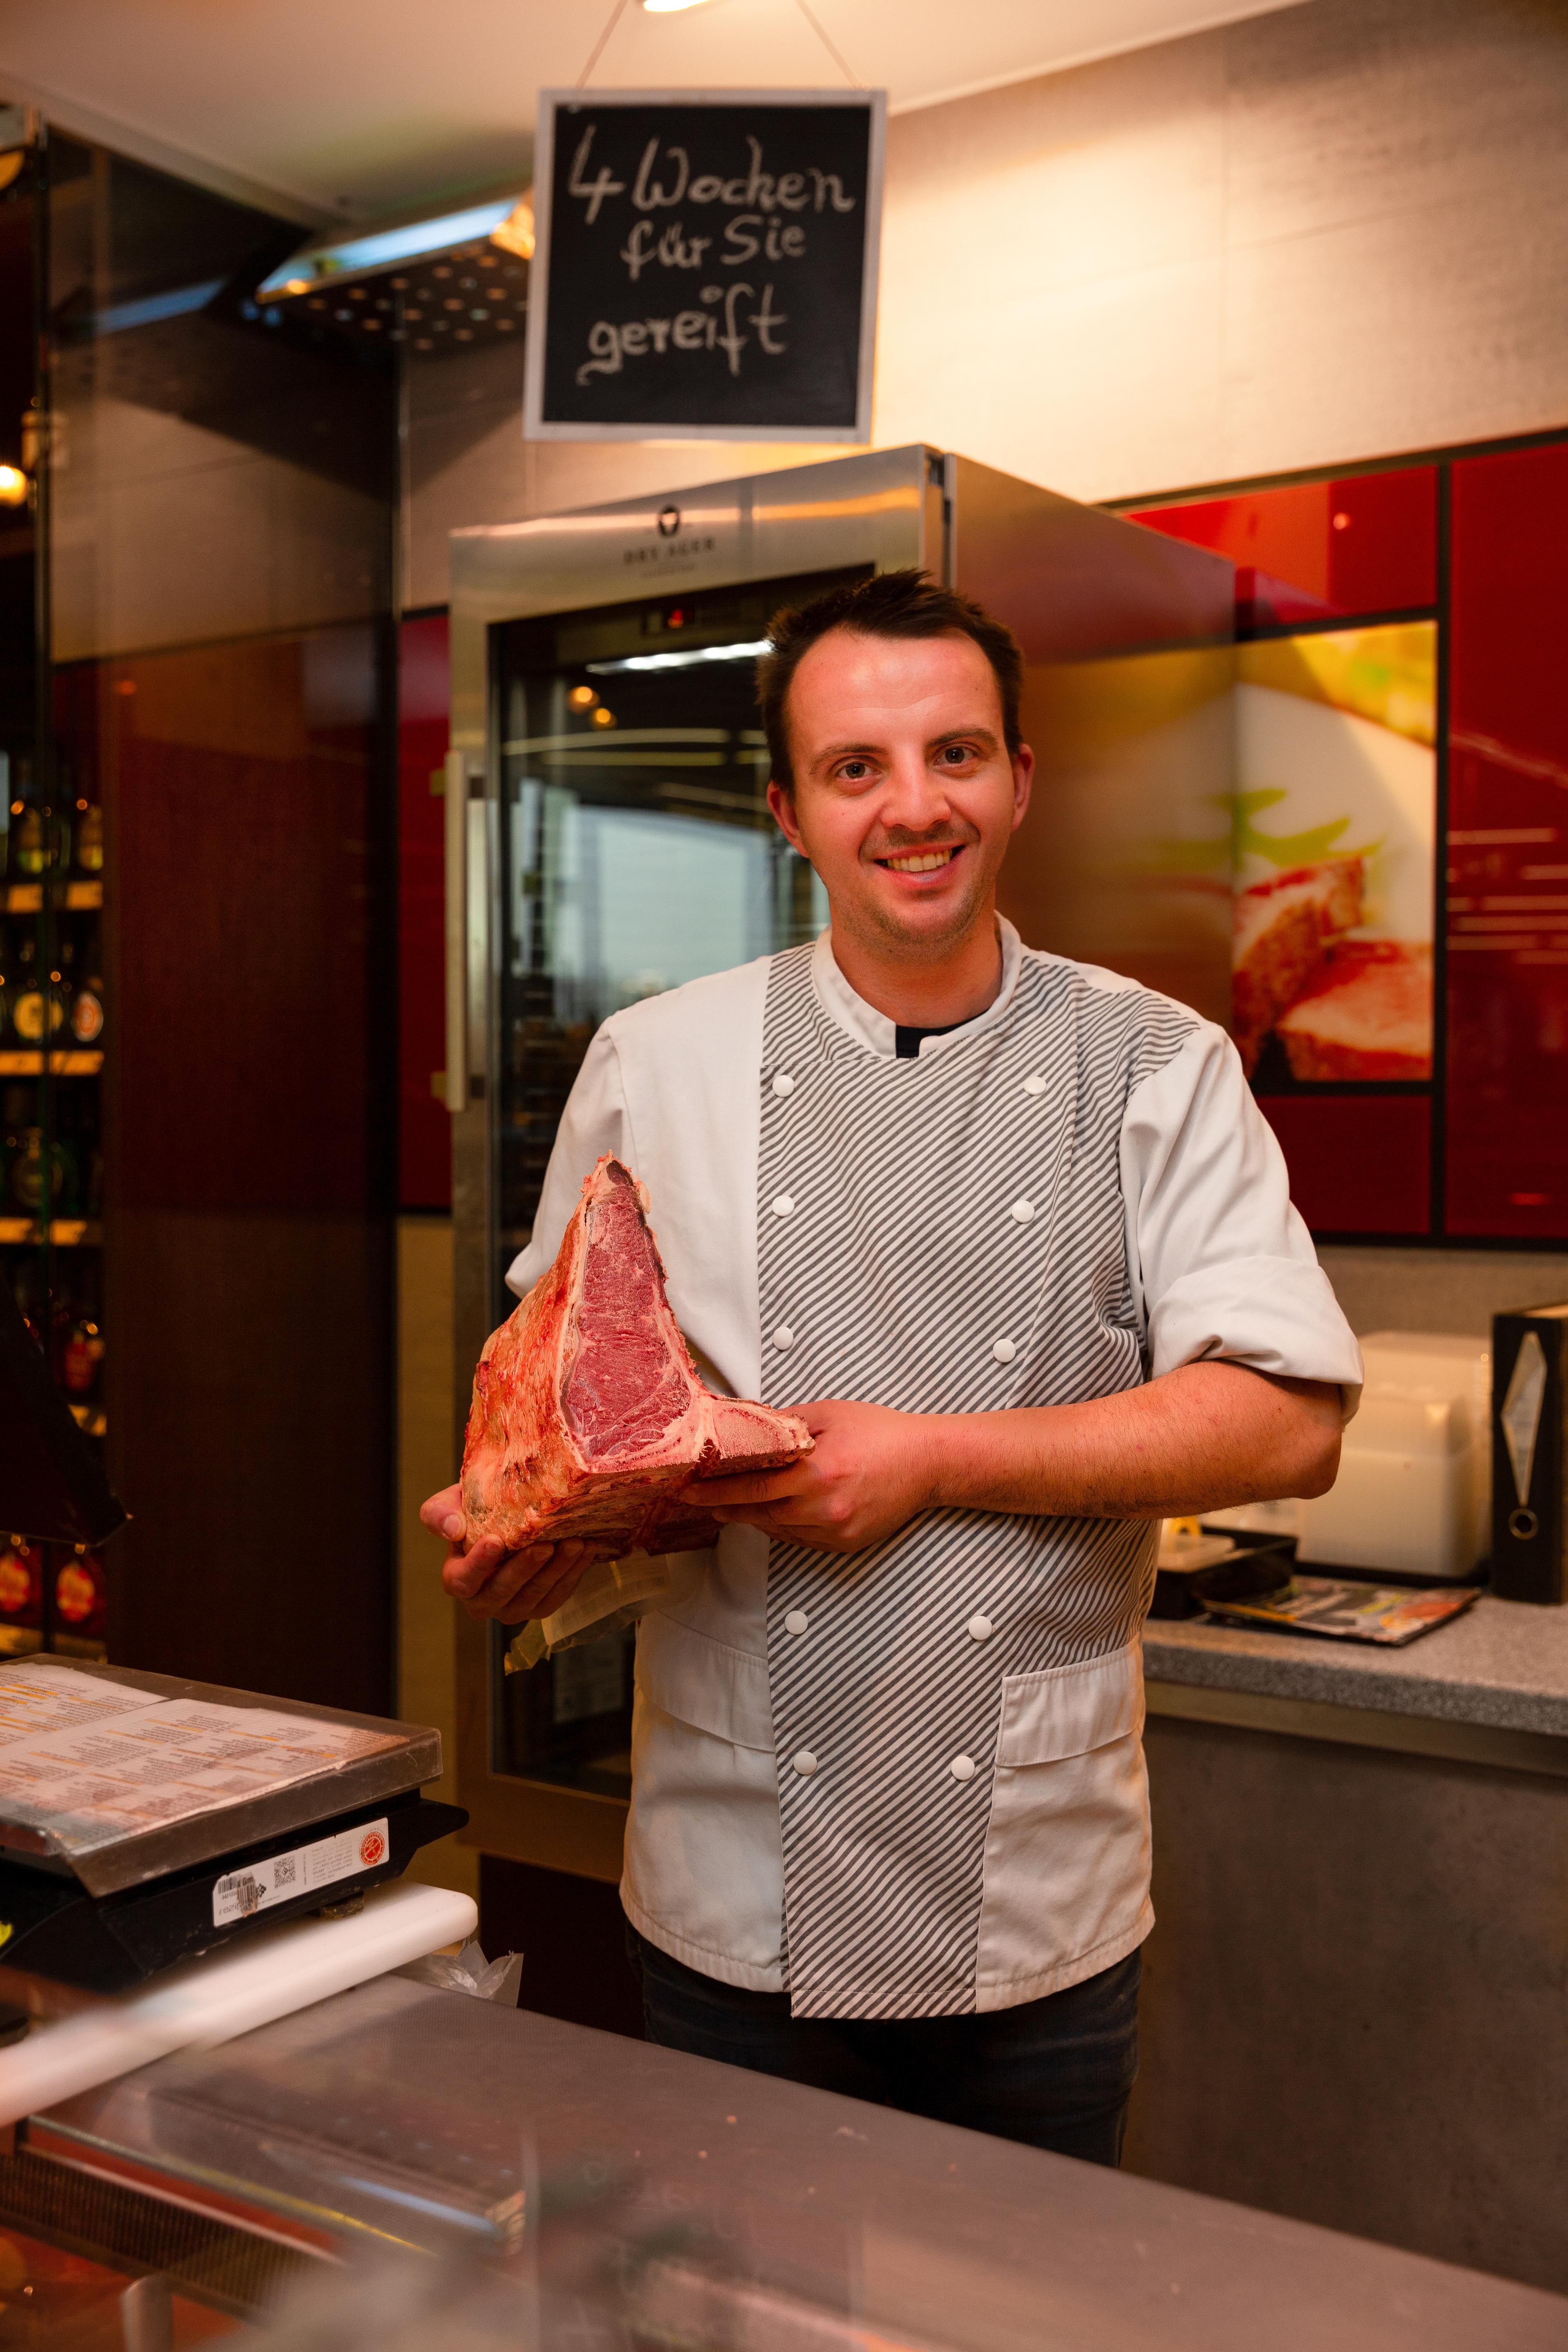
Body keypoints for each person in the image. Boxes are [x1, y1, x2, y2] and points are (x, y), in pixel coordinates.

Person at [422, 569, 1361, 2164]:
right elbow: (563, 1407)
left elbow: (1287, 1424)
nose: (913, 806)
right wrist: (537, 1539)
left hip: (1038, 1898)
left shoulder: (1156, 1061)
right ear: (789, 810)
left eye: (957, 755)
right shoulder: (659, 1064)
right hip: (739, 1883)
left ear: (1020, 783)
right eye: (858, 769)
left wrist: (934, 1459)